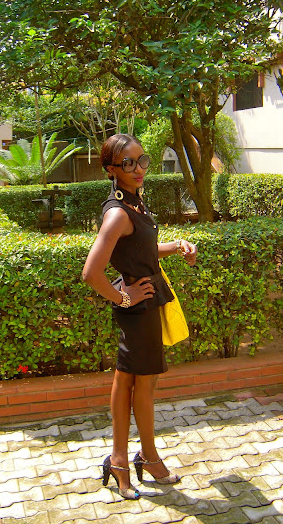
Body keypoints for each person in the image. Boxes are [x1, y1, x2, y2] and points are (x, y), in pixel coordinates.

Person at [82, 133, 198, 500]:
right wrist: (124, 297)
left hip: (143, 305)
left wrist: (175, 247)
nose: (139, 168)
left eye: (142, 160)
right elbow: (91, 273)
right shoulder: (118, 213)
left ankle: (122, 461)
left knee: (127, 380)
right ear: (111, 170)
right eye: (128, 163)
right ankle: (146, 458)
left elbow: (140, 249)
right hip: (139, 307)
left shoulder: (133, 202)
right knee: (143, 386)